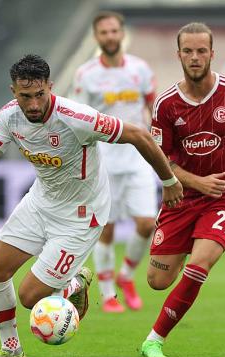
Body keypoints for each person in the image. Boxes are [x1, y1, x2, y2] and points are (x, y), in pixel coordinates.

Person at [0, 54, 183, 357]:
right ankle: (11, 352)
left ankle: (74, 282)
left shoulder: (77, 117)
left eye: (39, 95)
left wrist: (168, 180)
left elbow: (139, 135)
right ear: (13, 92)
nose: (33, 105)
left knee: (30, 297)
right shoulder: (9, 117)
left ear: (51, 87)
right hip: (41, 202)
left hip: (81, 215)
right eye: (25, 96)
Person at [140, 23, 225, 357]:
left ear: (212, 53)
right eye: (188, 51)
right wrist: (196, 182)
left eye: (201, 51)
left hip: (224, 197)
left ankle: (154, 339)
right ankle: (186, 250)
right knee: (156, 280)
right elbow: (162, 160)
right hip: (181, 198)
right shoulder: (166, 105)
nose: (195, 58)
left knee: (199, 268)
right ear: (178, 55)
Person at [71, 11, 157, 313]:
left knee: (147, 223)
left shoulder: (141, 69)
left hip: (138, 156)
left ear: (122, 33)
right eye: (103, 32)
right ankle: (108, 293)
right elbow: (78, 116)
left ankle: (126, 277)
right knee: (104, 228)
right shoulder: (86, 74)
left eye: (113, 31)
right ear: (97, 37)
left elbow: (152, 108)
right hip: (103, 157)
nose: (109, 36)